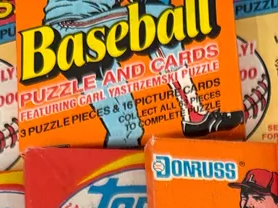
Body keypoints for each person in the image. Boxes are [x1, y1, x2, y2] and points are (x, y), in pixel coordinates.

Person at [44, 0, 240, 145]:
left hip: (66, 40)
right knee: (159, 16)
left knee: (126, 131)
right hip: (74, 29)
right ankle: (194, 115)